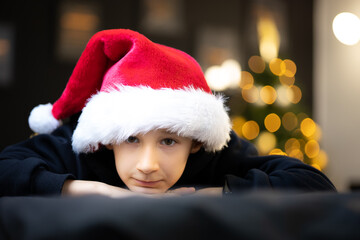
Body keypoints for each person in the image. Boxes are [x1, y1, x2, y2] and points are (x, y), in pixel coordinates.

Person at [0, 29, 336, 197]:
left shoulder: (217, 152)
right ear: (106, 139)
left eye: (169, 141)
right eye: (131, 138)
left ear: (196, 143)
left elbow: (314, 184)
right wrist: (93, 190)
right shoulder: (79, 146)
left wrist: (214, 193)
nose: (148, 165)